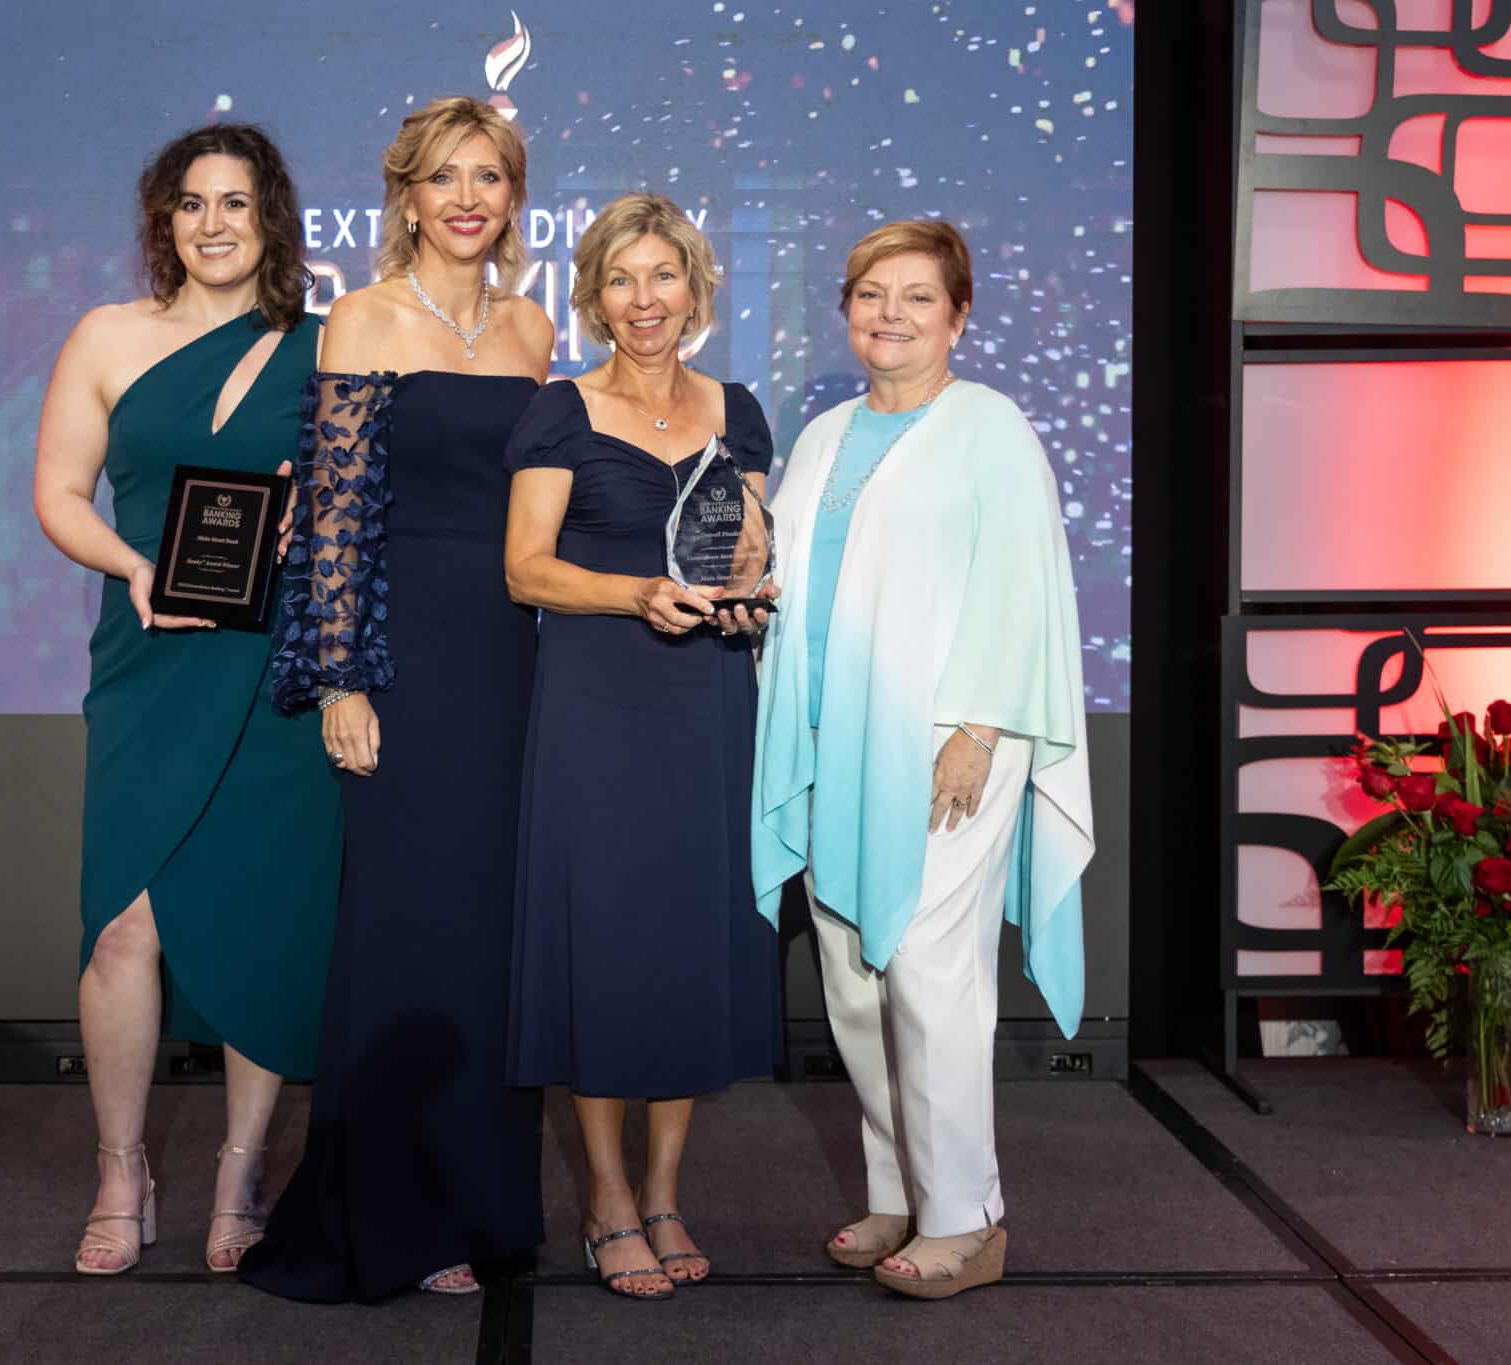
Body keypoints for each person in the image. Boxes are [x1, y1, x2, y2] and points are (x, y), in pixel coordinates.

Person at [240, 96, 555, 1303]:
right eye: (443, 177)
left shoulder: (532, 329)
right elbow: (330, 520)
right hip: (402, 657)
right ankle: (393, 1211)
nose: (467, 197)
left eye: (489, 176)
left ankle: (480, 1204)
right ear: (406, 197)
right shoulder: (362, 321)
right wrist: (340, 679)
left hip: (514, 655)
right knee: (406, 928)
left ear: (511, 194)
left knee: (490, 937)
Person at [751, 219, 1094, 1299]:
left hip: (947, 743)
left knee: (931, 973)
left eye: (914, 297)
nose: (887, 315)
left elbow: (1022, 588)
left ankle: (967, 1217)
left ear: (957, 315)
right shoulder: (819, 438)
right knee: (853, 977)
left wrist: (978, 730)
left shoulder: (989, 428)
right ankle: (899, 1188)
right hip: (827, 739)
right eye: (868, 295)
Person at [32, 125, 339, 1275]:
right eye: (191, 203)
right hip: (149, 660)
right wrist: (132, 568)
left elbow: (355, 497)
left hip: (275, 669)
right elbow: (60, 492)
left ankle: (240, 1171)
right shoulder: (107, 336)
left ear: (273, 220)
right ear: (164, 220)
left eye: (236, 203)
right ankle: (121, 1173)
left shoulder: (324, 344)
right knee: (121, 927)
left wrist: (320, 517)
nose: (213, 224)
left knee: (261, 916)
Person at [502, 193, 781, 1302]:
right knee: (605, 943)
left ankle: (665, 1192)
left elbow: (747, 551)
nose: (644, 300)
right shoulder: (559, 412)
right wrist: (632, 596)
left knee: (688, 944)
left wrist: (749, 600)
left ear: (695, 289)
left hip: (707, 704)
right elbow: (524, 568)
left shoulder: (738, 410)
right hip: (598, 703)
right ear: (591, 296)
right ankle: (606, 1198)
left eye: (663, 276)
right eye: (621, 279)